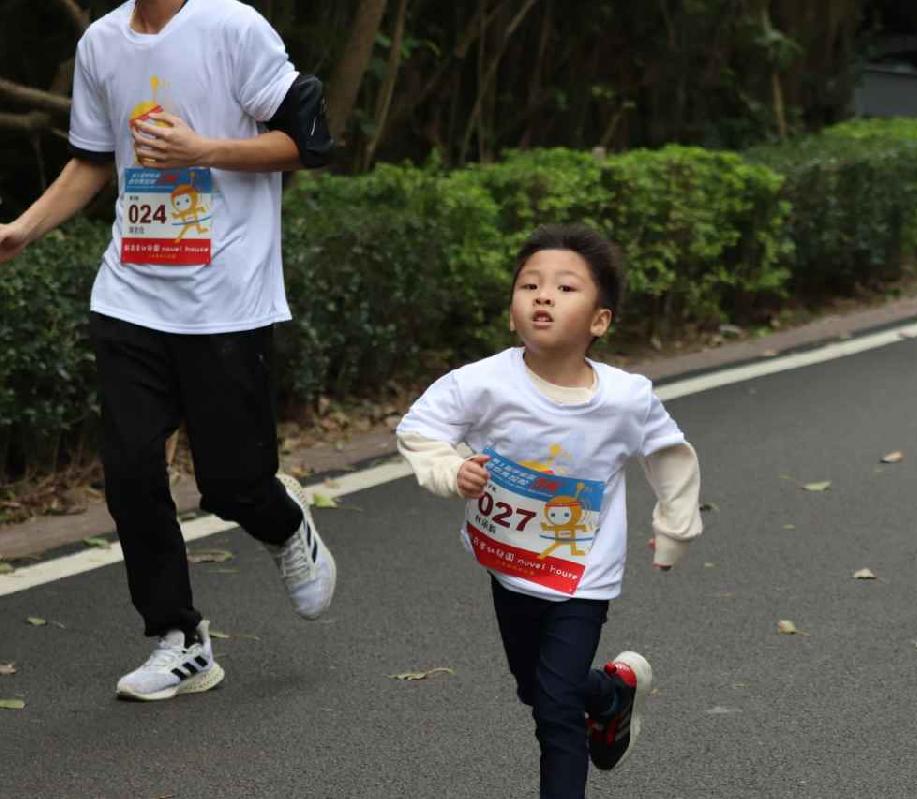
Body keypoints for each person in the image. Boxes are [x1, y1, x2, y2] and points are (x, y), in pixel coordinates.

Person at [0, 0, 337, 701]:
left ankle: (283, 522)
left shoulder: (233, 27)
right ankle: (180, 638)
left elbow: (309, 141)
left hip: (227, 297)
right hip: (130, 292)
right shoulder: (100, 44)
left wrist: (204, 149)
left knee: (231, 484)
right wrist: (24, 229)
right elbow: (93, 159)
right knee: (128, 472)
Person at [396, 224, 703, 799]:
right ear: (512, 313)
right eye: (529, 285)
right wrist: (450, 469)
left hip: (582, 575)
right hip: (509, 563)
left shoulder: (625, 398)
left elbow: (669, 455)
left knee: (554, 708)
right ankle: (610, 696)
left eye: (565, 288)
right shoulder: (482, 383)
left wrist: (675, 528)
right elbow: (419, 430)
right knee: (536, 689)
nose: (542, 296)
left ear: (599, 321)